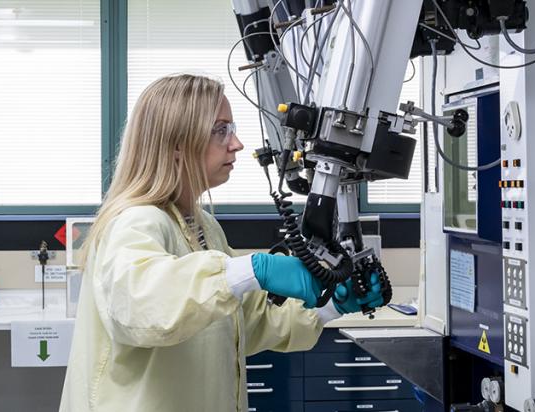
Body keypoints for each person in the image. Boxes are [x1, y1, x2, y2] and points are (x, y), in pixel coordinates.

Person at [59, 74, 386, 411]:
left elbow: (244, 321)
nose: (237, 144)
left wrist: (329, 306)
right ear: (176, 144)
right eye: (221, 130)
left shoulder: (204, 227)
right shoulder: (136, 221)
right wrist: (253, 270)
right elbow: (142, 306)